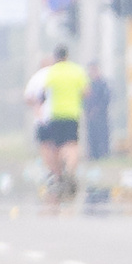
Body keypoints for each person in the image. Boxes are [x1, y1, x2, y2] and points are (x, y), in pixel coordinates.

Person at [26, 45, 90, 202]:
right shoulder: (77, 71)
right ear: (68, 56)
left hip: (55, 115)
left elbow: (41, 93)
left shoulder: (51, 73)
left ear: (55, 57)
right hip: (72, 114)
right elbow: (86, 92)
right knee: (72, 145)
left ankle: (58, 175)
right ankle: (69, 169)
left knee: (56, 147)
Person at [82, 60, 113, 160]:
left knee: (102, 135)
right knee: (91, 135)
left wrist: (98, 109)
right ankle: (93, 155)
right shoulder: (87, 83)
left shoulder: (103, 83)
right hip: (90, 113)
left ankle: (104, 154)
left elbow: (106, 98)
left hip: (101, 114)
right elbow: (84, 98)